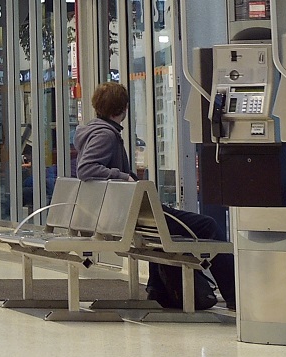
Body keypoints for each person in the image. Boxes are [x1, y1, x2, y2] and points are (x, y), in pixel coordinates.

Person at [72, 82, 235, 310]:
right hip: (131, 217)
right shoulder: (105, 135)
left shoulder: (95, 130)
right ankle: (234, 295)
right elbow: (86, 168)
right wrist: (123, 176)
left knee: (161, 228)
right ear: (123, 108)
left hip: (127, 217)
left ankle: (158, 288)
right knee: (208, 225)